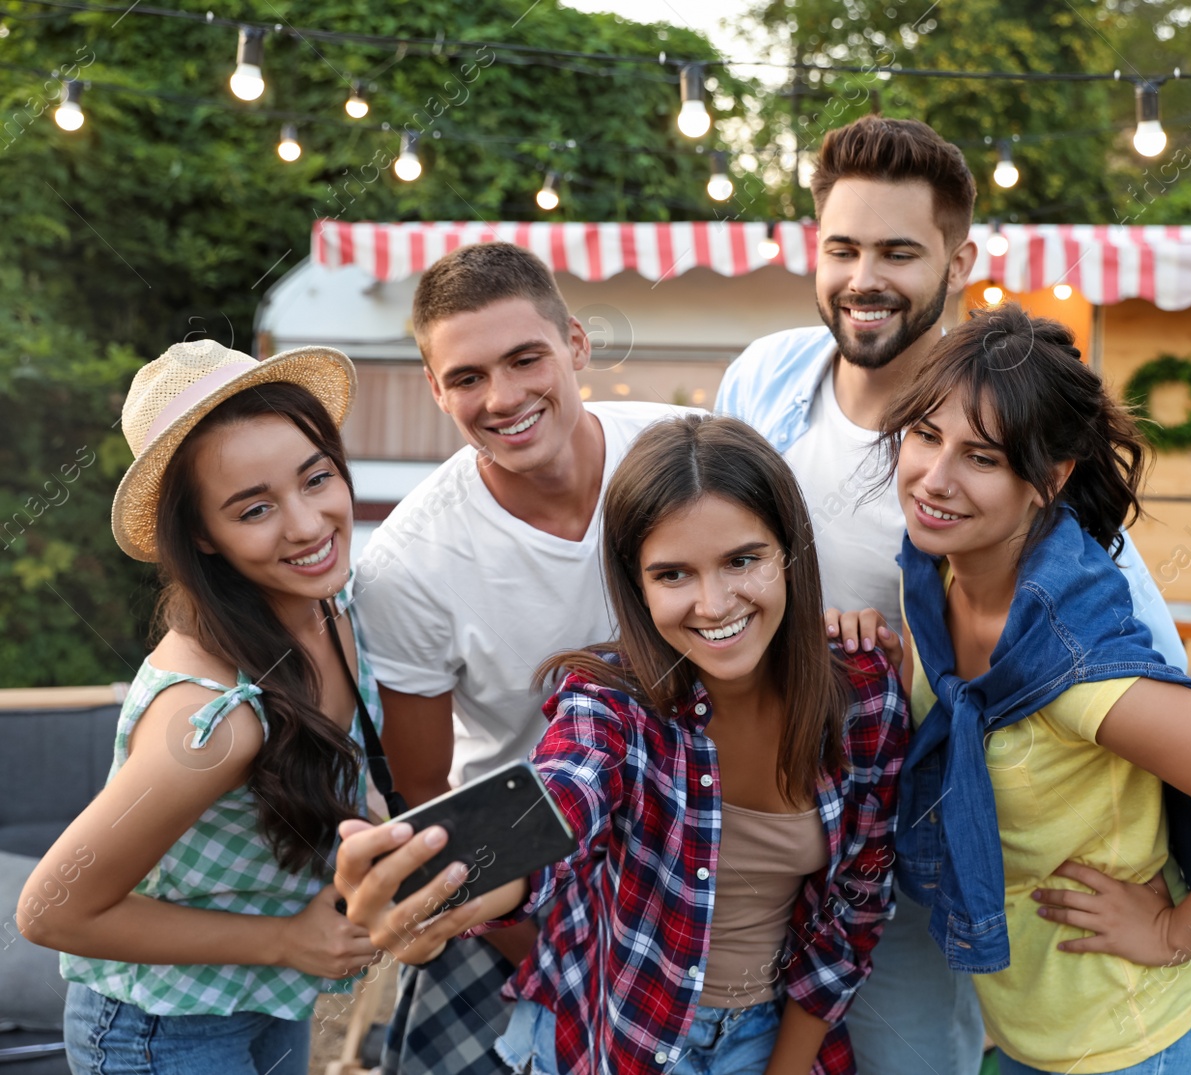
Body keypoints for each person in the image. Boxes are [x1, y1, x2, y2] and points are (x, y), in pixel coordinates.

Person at [715, 114, 1187, 1074]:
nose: (864, 278)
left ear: (958, 258)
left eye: (898, 250)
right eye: (842, 247)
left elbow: (1147, 663)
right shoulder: (766, 379)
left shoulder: (1001, 419)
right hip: (755, 829)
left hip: (908, 847)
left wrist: (1169, 908)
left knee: (906, 1060)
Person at [335, 415, 909, 1075]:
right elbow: (560, 799)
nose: (714, 602)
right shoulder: (609, 705)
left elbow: (856, 904)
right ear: (636, 584)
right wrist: (441, 879)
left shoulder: (864, 695)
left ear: (790, 553)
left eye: (742, 560)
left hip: (775, 1035)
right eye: (673, 575)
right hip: (613, 1035)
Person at [883, 306, 1191, 1074]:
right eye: (926, 436)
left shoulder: (1073, 670)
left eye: (982, 457)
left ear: (1051, 479)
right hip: (1033, 1034)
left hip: (1133, 1043)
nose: (935, 479)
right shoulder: (929, 582)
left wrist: (1175, 932)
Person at [352, 242, 690, 1072]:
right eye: (466, 377)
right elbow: (421, 794)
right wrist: (520, 934)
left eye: (525, 358)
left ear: (576, 345)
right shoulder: (408, 565)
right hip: (525, 884)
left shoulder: (683, 457)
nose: (502, 398)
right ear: (436, 389)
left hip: (695, 856)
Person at [18, 340, 384, 1075]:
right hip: (161, 1027)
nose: (309, 523)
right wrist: (287, 939)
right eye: (255, 508)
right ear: (201, 538)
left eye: (316, 477)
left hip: (266, 995)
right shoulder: (212, 721)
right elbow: (51, 909)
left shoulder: (331, 608)